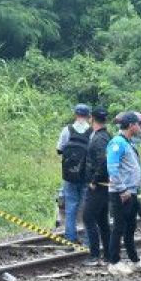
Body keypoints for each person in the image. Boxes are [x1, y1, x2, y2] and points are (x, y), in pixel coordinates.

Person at [107, 111, 141, 275]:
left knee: (130, 227)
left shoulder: (129, 142)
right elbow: (112, 167)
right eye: (138, 124)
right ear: (131, 125)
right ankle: (114, 262)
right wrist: (122, 189)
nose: (140, 127)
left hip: (131, 192)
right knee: (119, 228)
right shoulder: (117, 143)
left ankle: (134, 260)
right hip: (121, 193)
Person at [55, 104, 92, 246]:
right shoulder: (91, 132)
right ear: (88, 116)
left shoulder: (67, 130)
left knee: (71, 207)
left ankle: (70, 238)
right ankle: (88, 240)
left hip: (69, 176)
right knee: (87, 208)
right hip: (86, 176)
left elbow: (59, 150)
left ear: (76, 114)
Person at [82, 107, 112, 266]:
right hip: (103, 185)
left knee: (88, 217)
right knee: (102, 221)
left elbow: (103, 161)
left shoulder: (100, 139)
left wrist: (94, 180)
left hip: (99, 185)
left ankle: (94, 255)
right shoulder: (104, 136)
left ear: (92, 118)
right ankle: (108, 253)